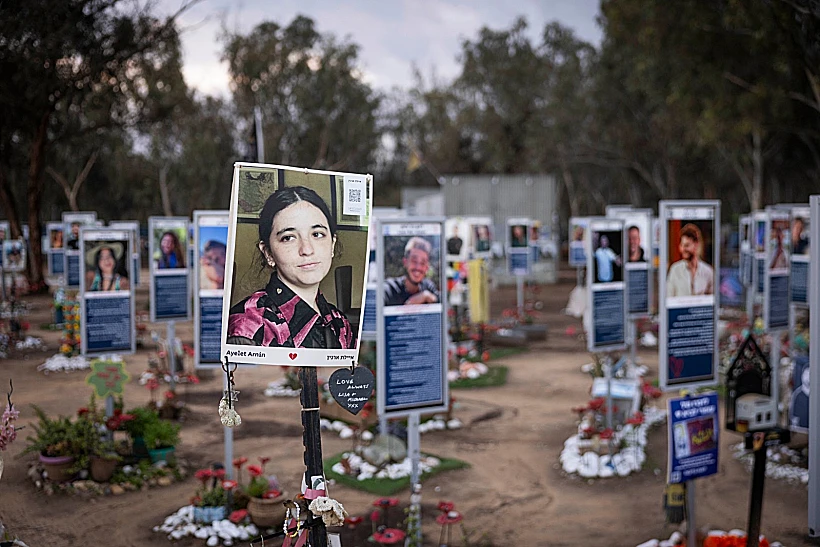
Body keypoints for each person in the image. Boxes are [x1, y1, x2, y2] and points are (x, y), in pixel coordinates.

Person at [226, 186, 353, 349]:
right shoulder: (247, 326)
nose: (307, 250)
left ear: (332, 245)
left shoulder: (339, 323)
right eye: (288, 238)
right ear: (268, 253)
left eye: (317, 234)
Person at [384, 236, 440, 306]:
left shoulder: (428, 287)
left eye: (423, 263)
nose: (418, 267)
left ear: (427, 267)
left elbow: (441, 303)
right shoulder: (390, 289)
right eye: (414, 261)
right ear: (405, 262)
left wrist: (426, 296)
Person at [667, 223, 714, 297]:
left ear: (696, 244)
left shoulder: (708, 272)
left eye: (687, 245)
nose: (683, 249)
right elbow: (668, 298)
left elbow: (711, 301)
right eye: (681, 245)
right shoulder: (675, 270)